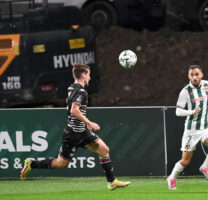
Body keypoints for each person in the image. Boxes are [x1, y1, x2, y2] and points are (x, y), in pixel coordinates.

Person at [20, 63, 130, 191]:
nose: (89, 77)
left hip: (82, 132)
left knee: (104, 150)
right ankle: (31, 164)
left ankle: (111, 182)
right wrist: (89, 123)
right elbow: (74, 110)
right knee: (60, 164)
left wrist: (85, 125)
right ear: (83, 75)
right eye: (88, 74)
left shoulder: (71, 87)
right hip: (73, 134)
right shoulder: (81, 91)